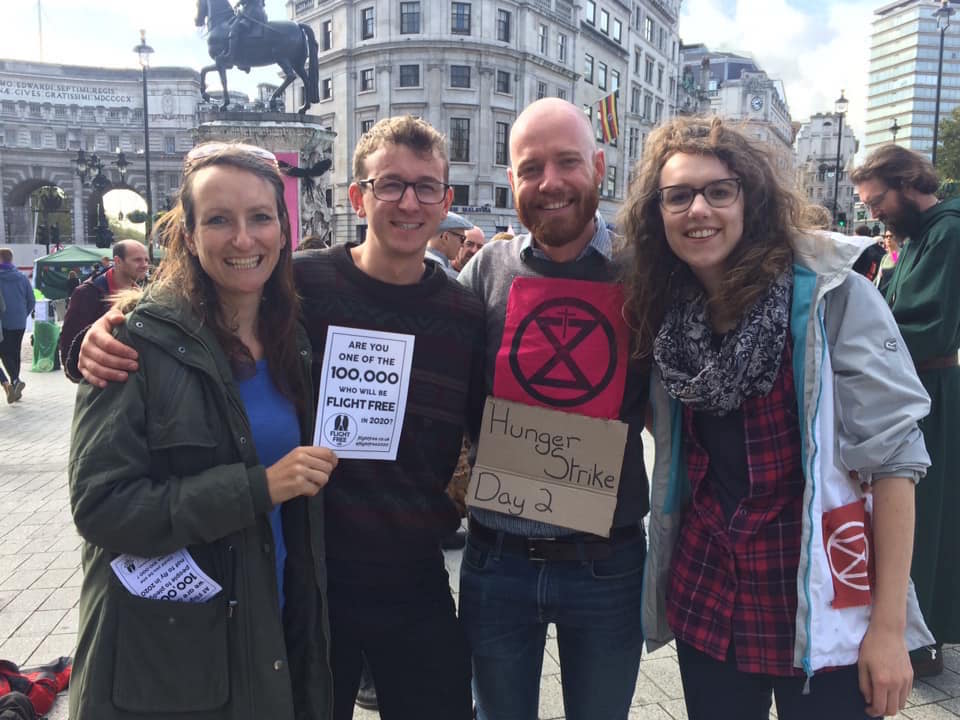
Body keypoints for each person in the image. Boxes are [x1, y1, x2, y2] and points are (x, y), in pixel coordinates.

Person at [75, 116, 482, 720]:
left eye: (426, 188)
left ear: (446, 201)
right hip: (311, 577)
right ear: (357, 196)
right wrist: (106, 327)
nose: (408, 201)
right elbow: (193, 309)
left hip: (414, 573)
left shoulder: (463, 312)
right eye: (388, 184)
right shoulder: (301, 286)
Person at [621, 116, 934, 720]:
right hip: (708, 597)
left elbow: (895, 462)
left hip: (821, 598)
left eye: (719, 190)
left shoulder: (831, 294)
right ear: (658, 213)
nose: (698, 209)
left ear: (751, 198)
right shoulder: (666, 311)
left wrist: (890, 631)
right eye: (678, 195)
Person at [67, 142, 337, 720]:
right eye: (218, 220)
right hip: (169, 667)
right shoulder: (132, 343)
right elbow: (100, 508)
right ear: (187, 235)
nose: (244, 240)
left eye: (260, 217)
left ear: (284, 230)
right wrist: (257, 487)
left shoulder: (299, 341)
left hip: (275, 637)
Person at [458, 97, 649, 720]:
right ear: (511, 178)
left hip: (606, 565)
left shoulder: (644, 274)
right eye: (531, 167)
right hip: (496, 563)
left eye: (567, 162)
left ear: (598, 167)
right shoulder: (486, 271)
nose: (551, 182)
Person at [852, 144, 960, 677]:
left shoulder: (949, 232)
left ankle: (924, 638)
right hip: (911, 383)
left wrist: (865, 340)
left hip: (930, 387)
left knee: (923, 512)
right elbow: (890, 301)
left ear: (906, 182)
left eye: (878, 202)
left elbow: (926, 323)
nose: (875, 214)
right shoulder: (918, 236)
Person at [60, 240, 149, 382]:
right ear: (118, 261)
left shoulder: (143, 294)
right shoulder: (88, 292)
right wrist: (82, 377)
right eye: (137, 260)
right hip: (99, 382)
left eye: (146, 260)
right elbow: (69, 341)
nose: (144, 265)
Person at [0, 248, 35, 404]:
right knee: (15, 351)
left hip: (3, 322)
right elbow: (31, 300)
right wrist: (23, 314)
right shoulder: (21, 277)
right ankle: (15, 383)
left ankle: (14, 380)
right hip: (20, 321)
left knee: (4, 353)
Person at [425, 211, 471, 278]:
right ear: (446, 237)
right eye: (462, 238)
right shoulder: (448, 276)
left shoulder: (415, 265)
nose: (462, 245)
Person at [876, 229, 901, 296]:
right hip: (881, 293)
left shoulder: (897, 254)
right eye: (886, 236)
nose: (888, 238)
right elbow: (878, 277)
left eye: (891, 236)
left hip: (892, 293)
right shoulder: (885, 257)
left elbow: (896, 268)